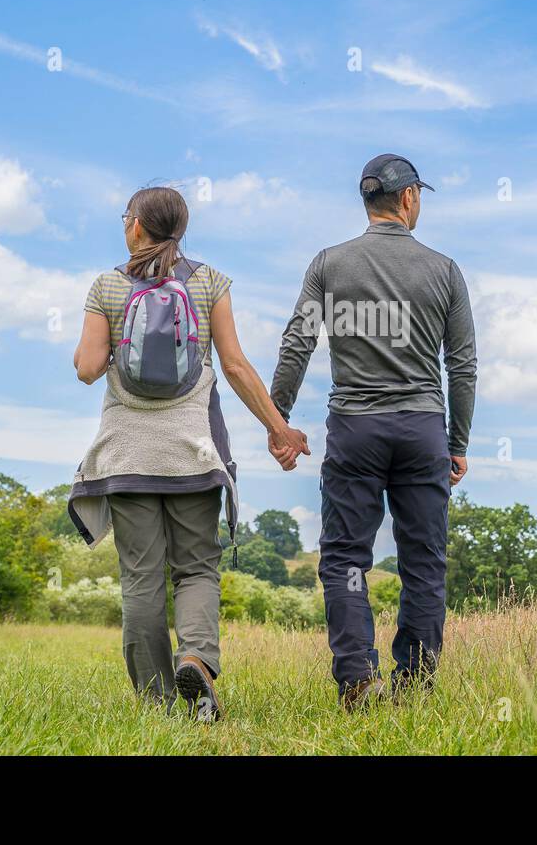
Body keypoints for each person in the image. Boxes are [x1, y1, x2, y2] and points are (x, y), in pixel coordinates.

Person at [68, 185, 309, 720]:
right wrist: (279, 428)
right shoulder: (207, 281)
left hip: (126, 459)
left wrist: (103, 345)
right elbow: (236, 365)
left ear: (135, 226)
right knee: (197, 569)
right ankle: (197, 659)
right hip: (194, 455)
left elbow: (87, 368)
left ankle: (157, 706)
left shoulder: (108, 285)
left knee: (141, 578)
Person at [270, 154, 477, 710]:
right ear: (409, 198)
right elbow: (462, 366)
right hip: (422, 431)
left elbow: (297, 344)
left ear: (368, 201)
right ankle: (413, 688)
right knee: (423, 562)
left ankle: (359, 677)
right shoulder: (445, 270)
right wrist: (457, 444)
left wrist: (279, 421)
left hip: (355, 430)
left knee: (346, 559)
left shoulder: (328, 265)